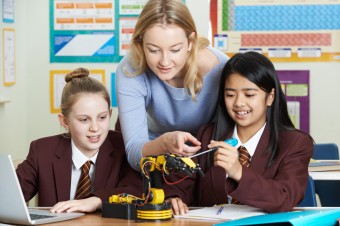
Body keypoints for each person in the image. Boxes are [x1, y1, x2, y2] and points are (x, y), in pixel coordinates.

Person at [169, 51, 314, 215]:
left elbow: (285, 198)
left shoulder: (295, 143)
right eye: (230, 94)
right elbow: (181, 183)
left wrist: (238, 171)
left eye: (249, 94)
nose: (238, 103)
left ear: (270, 97)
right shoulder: (208, 135)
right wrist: (174, 198)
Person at [116, 0, 229, 171]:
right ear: (140, 44)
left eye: (175, 49)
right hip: (152, 156)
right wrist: (163, 144)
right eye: (154, 50)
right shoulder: (130, 69)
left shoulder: (221, 68)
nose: (164, 61)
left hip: (205, 157)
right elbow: (133, 153)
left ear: (190, 42)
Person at [16, 68, 143, 213]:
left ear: (110, 114)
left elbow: (138, 190)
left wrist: (96, 201)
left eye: (102, 117)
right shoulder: (42, 151)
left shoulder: (124, 146)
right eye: (84, 120)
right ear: (65, 121)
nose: (95, 128)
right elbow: (12, 193)